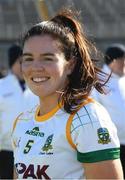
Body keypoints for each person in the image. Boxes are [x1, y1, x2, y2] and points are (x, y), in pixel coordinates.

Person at [11, 8, 123, 179]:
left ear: (70, 65)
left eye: (48, 58)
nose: (36, 67)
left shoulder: (88, 118)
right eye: (28, 58)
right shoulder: (22, 121)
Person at [91, 43, 125, 178]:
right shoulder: (98, 81)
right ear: (114, 61)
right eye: (123, 61)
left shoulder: (123, 80)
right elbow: (94, 111)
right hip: (111, 145)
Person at [0, 44, 25, 179]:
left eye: (26, 62)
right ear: (12, 63)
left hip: (30, 151)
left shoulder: (36, 88)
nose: (24, 66)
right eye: (20, 62)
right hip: (6, 151)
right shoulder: (1, 86)